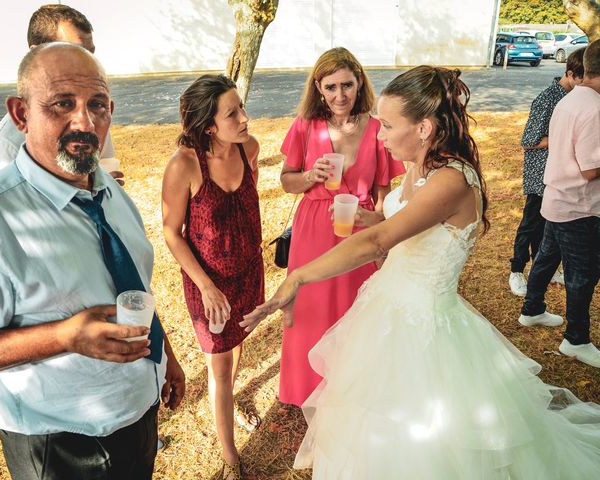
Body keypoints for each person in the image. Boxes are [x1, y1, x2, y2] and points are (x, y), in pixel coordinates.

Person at [242, 66, 600, 478]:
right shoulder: (417, 165)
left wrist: (300, 275)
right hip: (386, 309)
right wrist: (373, 215)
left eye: (388, 126)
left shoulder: (451, 180)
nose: (380, 135)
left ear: (425, 127)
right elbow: (407, 224)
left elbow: (381, 243)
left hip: (426, 325)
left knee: (425, 439)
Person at [0, 43, 185, 480]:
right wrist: (63, 337)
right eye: (63, 103)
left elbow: (134, 284)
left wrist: (165, 358)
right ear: (21, 114)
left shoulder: (110, 191)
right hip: (59, 443)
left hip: (135, 416)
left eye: (97, 104)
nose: (85, 121)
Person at [278, 47, 404, 406]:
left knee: (357, 309)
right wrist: (308, 176)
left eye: (346, 85)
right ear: (318, 87)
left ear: (359, 81)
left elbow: (384, 192)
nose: (339, 95)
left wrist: (380, 232)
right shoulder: (305, 125)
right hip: (313, 229)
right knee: (310, 307)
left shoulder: (378, 128)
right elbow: (286, 181)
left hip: (359, 226)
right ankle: (306, 389)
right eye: (330, 87)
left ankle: (352, 393)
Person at [161, 74, 263, 480]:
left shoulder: (249, 148)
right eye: (233, 113)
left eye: (241, 107)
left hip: (248, 274)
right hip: (210, 284)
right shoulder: (185, 164)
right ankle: (230, 458)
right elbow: (172, 232)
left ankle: (229, 399)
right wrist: (206, 286)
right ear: (208, 125)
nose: (244, 117)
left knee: (237, 345)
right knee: (219, 366)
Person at [519, 40, 600, 369]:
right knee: (584, 274)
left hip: (557, 197)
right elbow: (590, 169)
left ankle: (532, 308)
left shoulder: (571, 99)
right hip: (579, 205)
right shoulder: (594, 108)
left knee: (547, 256)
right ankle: (576, 339)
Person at [0, 4, 116, 178]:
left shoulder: (91, 115)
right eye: (73, 52)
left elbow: (104, 166)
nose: (87, 63)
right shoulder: (5, 143)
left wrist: (103, 184)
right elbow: (8, 200)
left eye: (90, 54)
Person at [508, 48, 585, 296]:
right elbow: (528, 139)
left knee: (548, 226)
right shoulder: (547, 99)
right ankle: (516, 270)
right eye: (582, 80)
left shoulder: (572, 98)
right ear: (571, 74)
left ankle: (546, 269)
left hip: (558, 172)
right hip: (539, 173)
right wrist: (565, 138)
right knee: (530, 224)